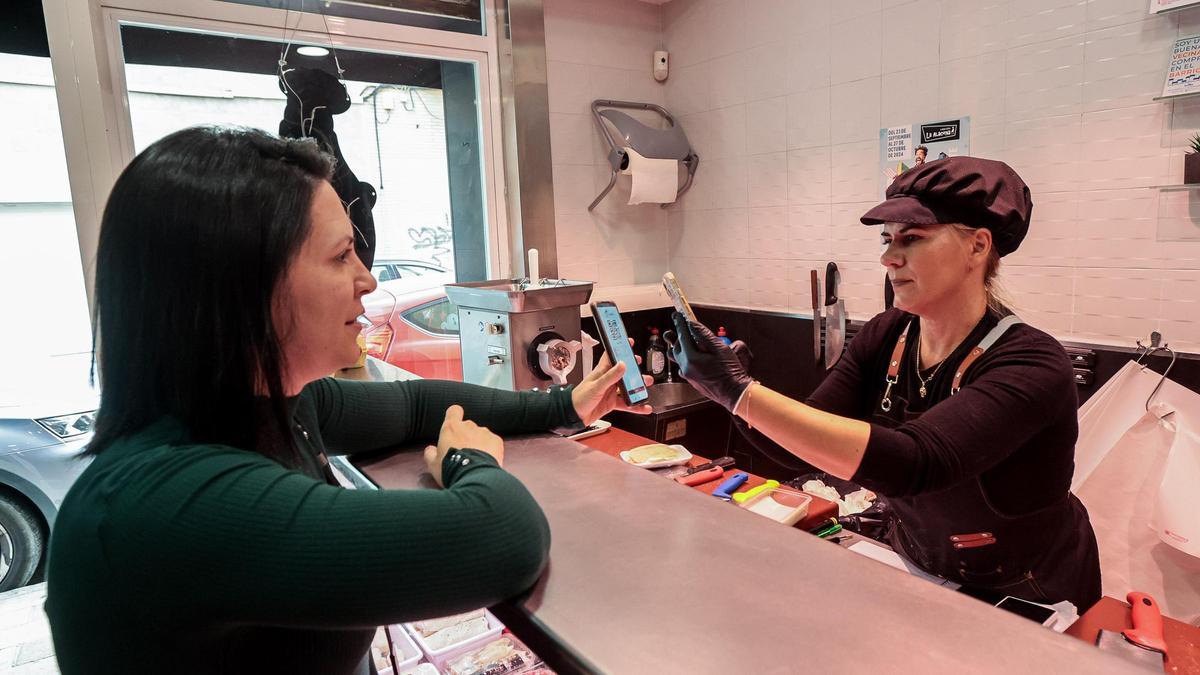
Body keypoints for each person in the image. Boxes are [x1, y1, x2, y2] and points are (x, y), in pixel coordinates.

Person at [45, 126, 651, 675]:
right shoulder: (172, 503)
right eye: (340, 256)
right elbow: (503, 538)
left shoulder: (279, 404)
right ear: (244, 288)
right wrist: (470, 460)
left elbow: (417, 406)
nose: (369, 279)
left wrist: (565, 406)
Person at [666, 157, 1102, 611]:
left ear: (977, 246)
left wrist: (742, 394)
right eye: (887, 239)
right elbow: (804, 438)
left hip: (1027, 591)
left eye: (912, 239)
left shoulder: (1032, 362)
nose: (888, 258)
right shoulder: (888, 334)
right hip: (918, 562)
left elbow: (916, 463)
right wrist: (731, 394)